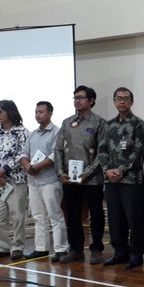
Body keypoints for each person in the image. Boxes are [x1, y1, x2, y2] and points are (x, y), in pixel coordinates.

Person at [54, 85, 106, 264]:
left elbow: (102, 152)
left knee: (96, 214)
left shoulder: (99, 122)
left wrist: (88, 173)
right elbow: (58, 149)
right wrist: (60, 172)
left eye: (81, 97)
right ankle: (75, 249)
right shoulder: (67, 122)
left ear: (91, 100)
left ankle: (97, 248)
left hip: (92, 179)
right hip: (70, 178)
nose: (77, 100)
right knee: (72, 213)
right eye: (75, 97)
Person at [98, 87, 144, 269]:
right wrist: (107, 170)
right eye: (118, 98)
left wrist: (120, 170)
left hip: (131, 180)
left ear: (131, 101)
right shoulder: (108, 125)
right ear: (114, 101)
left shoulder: (138, 124)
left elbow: (138, 151)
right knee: (115, 218)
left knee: (134, 218)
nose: (122, 102)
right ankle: (120, 251)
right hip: (110, 180)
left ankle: (136, 254)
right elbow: (101, 150)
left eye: (126, 98)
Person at [0, 100, 30, 261]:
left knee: (17, 216)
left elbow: (22, 154)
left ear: (10, 112)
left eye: (0, 112)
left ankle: (17, 247)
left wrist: (4, 170)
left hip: (15, 180)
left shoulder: (22, 131)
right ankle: (1, 246)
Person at [20, 101, 68, 260]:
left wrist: (38, 166)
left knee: (55, 215)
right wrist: (27, 166)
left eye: (41, 112)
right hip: (33, 181)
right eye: (36, 112)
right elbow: (23, 154)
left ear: (50, 113)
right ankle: (41, 248)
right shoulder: (32, 134)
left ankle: (61, 249)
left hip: (50, 181)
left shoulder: (57, 132)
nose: (38, 115)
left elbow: (55, 155)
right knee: (38, 216)